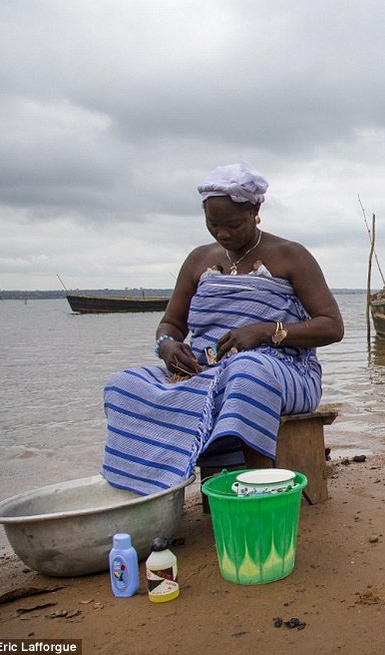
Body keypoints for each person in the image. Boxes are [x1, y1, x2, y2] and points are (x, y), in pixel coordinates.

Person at [101, 162, 344, 495]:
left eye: (233, 224)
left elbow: (332, 326)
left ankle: (261, 490)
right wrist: (169, 347)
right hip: (206, 370)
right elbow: (171, 324)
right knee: (124, 385)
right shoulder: (199, 260)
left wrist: (266, 331)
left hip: (284, 372)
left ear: (256, 211)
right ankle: (149, 493)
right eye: (213, 224)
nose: (223, 233)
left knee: (247, 371)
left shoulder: (290, 256)